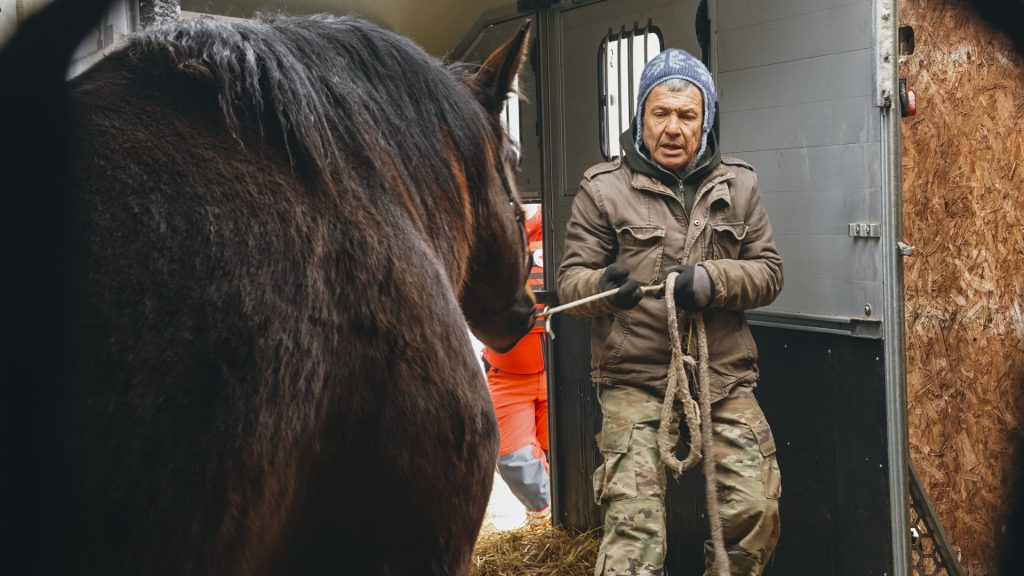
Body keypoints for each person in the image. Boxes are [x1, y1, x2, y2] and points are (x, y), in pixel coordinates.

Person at [557, 48, 784, 575]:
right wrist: (603, 286)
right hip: (633, 379)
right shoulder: (602, 190)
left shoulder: (740, 184)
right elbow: (570, 283)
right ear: (641, 115)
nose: (673, 128)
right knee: (634, 533)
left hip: (722, 377)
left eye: (687, 115)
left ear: (706, 120)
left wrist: (715, 281)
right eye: (661, 113)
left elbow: (770, 271)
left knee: (756, 508)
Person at [482, 204, 551, 530]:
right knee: (512, 458)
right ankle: (549, 514)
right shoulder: (489, 235)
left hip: (560, 373)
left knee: (560, 459)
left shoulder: (563, 229)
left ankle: (553, 525)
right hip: (507, 376)